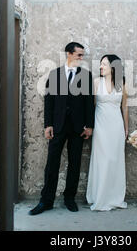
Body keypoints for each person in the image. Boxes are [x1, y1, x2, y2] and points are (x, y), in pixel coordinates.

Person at [29, 42, 95, 215]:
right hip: (57, 126)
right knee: (52, 163)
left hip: (77, 127)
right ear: (69, 54)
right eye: (79, 55)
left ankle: (69, 198)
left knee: (75, 163)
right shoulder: (54, 74)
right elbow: (49, 101)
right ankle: (46, 200)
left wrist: (90, 126)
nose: (81, 58)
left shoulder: (86, 76)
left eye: (82, 55)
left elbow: (89, 102)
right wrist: (48, 125)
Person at [86, 54, 129, 211]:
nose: (101, 67)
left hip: (116, 126)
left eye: (104, 64)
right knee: (102, 160)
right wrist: (88, 126)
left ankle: (114, 197)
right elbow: (92, 106)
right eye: (101, 64)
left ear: (113, 67)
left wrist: (126, 128)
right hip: (101, 126)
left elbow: (124, 107)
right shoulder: (97, 82)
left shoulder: (121, 83)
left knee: (115, 160)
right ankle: (99, 197)